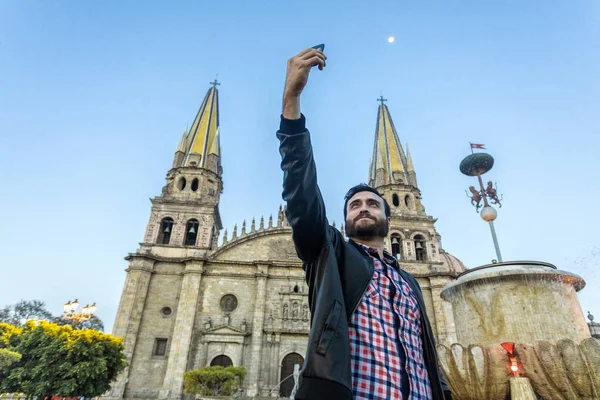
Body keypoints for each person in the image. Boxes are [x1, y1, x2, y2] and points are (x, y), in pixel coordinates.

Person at [276, 47, 452, 400]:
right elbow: (301, 192)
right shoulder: (331, 256)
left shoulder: (409, 283)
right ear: (343, 221)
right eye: (354, 205)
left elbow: (427, 354)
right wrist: (291, 102)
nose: (363, 208)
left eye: (373, 203)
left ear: (389, 218)